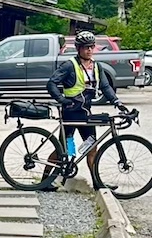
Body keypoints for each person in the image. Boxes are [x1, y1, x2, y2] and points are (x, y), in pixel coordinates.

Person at [46, 31, 119, 174]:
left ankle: (97, 182)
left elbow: (105, 86)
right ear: (79, 49)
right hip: (70, 112)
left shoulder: (97, 67)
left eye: (91, 47)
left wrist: (116, 101)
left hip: (86, 113)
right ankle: (46, 179)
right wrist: (62, 100)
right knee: (63, 149)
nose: (89, 50)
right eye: (86, 47)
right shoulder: (69, 65)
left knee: (92, 147)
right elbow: (51, 84)